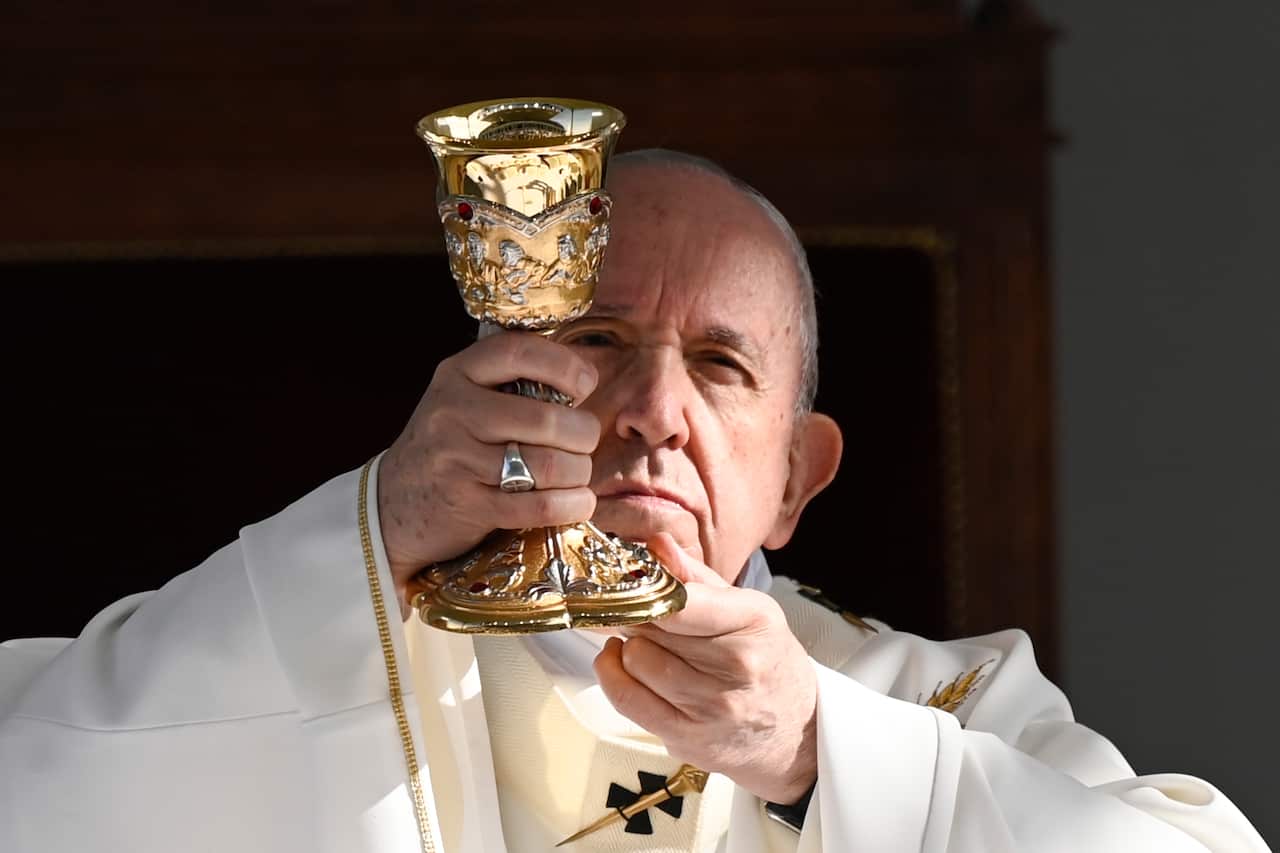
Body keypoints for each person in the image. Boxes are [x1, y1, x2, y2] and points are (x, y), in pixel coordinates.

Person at [0, 151, 1269, 853]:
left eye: (720, 364)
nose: (652, 408)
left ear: (794, 479)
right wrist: (371, 535)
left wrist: (817, 752)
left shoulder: (931, 707)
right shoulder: (315, 626)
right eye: (596, 339)